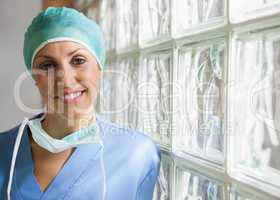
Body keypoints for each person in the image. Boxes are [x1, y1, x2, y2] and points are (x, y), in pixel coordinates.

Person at [0, 7, 160, 200]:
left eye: (78, 60)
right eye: (47, 66)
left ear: (100, 67)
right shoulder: (5, 151)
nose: (66, 81)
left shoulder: (137, 154)